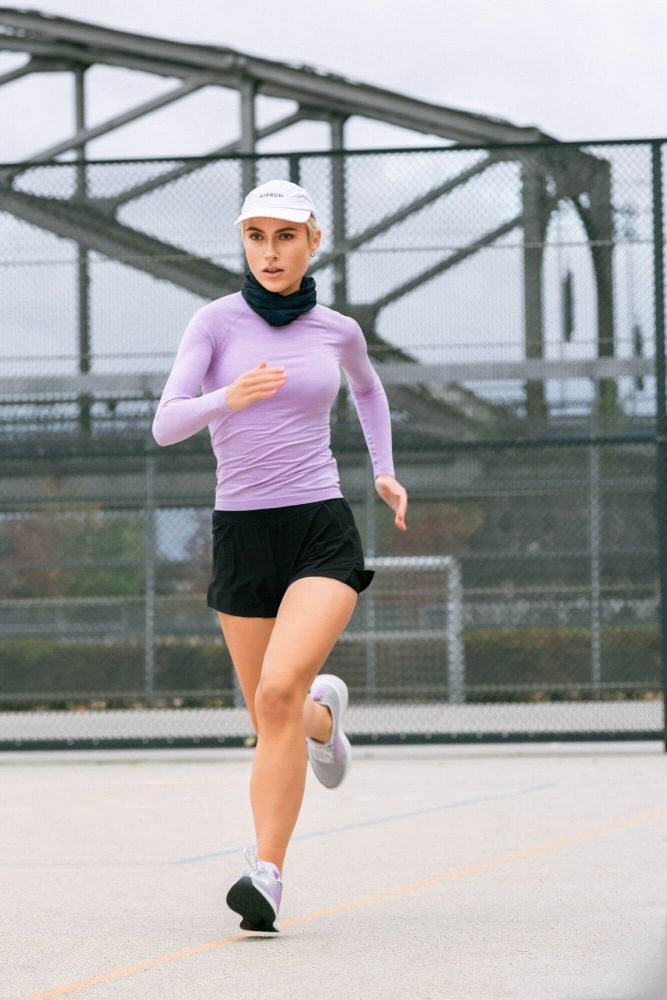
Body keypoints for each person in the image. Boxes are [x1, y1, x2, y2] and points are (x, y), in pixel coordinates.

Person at [152, 178, 408, 933]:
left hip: (318, 527)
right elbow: (166, 423)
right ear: (244, 242)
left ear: (313, 243)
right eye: (256, 236)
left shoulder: (338, 331)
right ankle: (323, 721)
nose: (270, 251)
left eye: (286, 236)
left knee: (276, 692)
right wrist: (226, 398)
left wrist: (384, 470)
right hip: (241, 534)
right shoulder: (213, 324)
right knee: (278, 715)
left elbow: (368, 392)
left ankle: (265, 873)